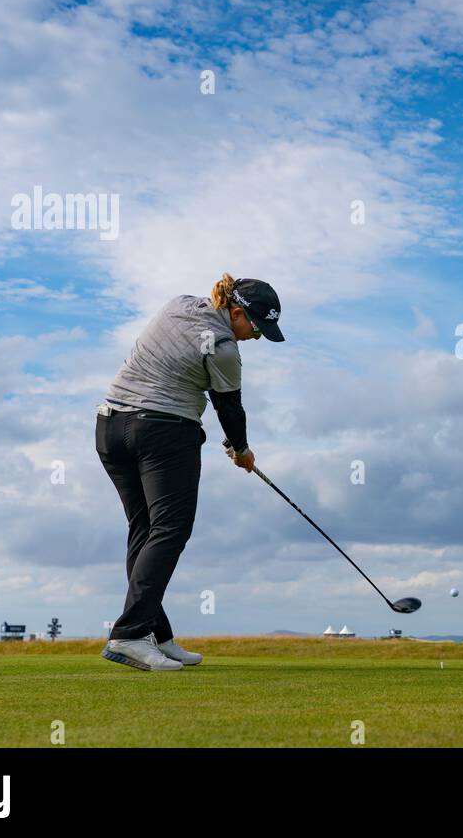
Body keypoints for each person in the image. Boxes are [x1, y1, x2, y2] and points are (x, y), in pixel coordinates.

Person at [95, 273, 285, 671]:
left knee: (145, 530)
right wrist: (241, 450)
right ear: (236, 313)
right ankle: (129, 634)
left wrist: (235, 444)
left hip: (110, 428)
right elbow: (228, 407)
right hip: (163, 432)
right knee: (170, 529)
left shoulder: (178, 303)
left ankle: (156, 635)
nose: (257, 337)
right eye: (256, 327)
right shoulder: (224, 347)